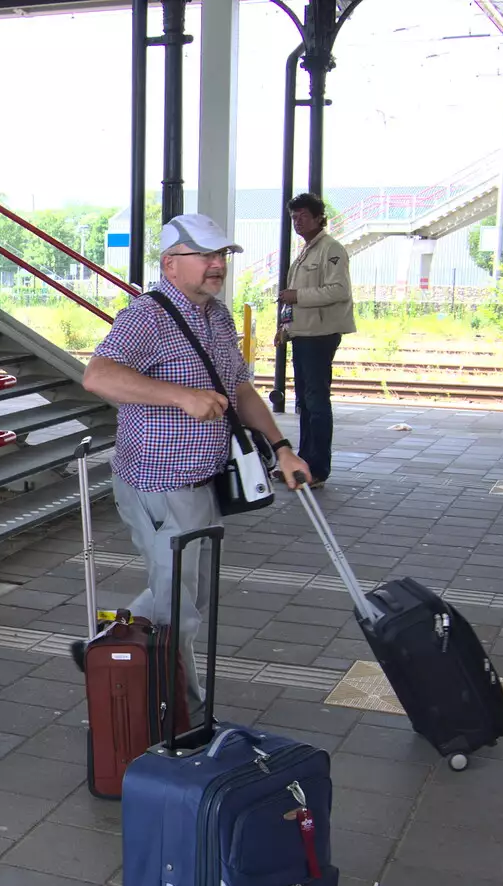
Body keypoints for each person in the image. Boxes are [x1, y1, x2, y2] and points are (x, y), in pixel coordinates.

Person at [82, 213, 310, 713]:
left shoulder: (218, 317)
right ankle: (179, 710)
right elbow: (98, 376)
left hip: (202, 483)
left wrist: (282, 446)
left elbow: (240, 389)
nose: (216, 265)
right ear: (170, 263)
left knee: (191, 596)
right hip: (159, 483)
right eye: (205, 256)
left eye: (221, 256)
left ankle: (110, 643)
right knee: (179, 606)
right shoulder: (148, 316)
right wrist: (179, 396)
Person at [277, 193, 355, 488]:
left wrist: (297, 296)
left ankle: (319, 468)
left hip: (320, 334)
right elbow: (292, 297)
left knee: (317, 402)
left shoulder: (330, 249)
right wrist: (284, 326)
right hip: (302, 332)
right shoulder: (306, 251)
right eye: (294, 218)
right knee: (306, 403)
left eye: (304, 217)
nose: (298, 222)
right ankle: (303, 463)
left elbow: (338, 290)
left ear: (320, 218)